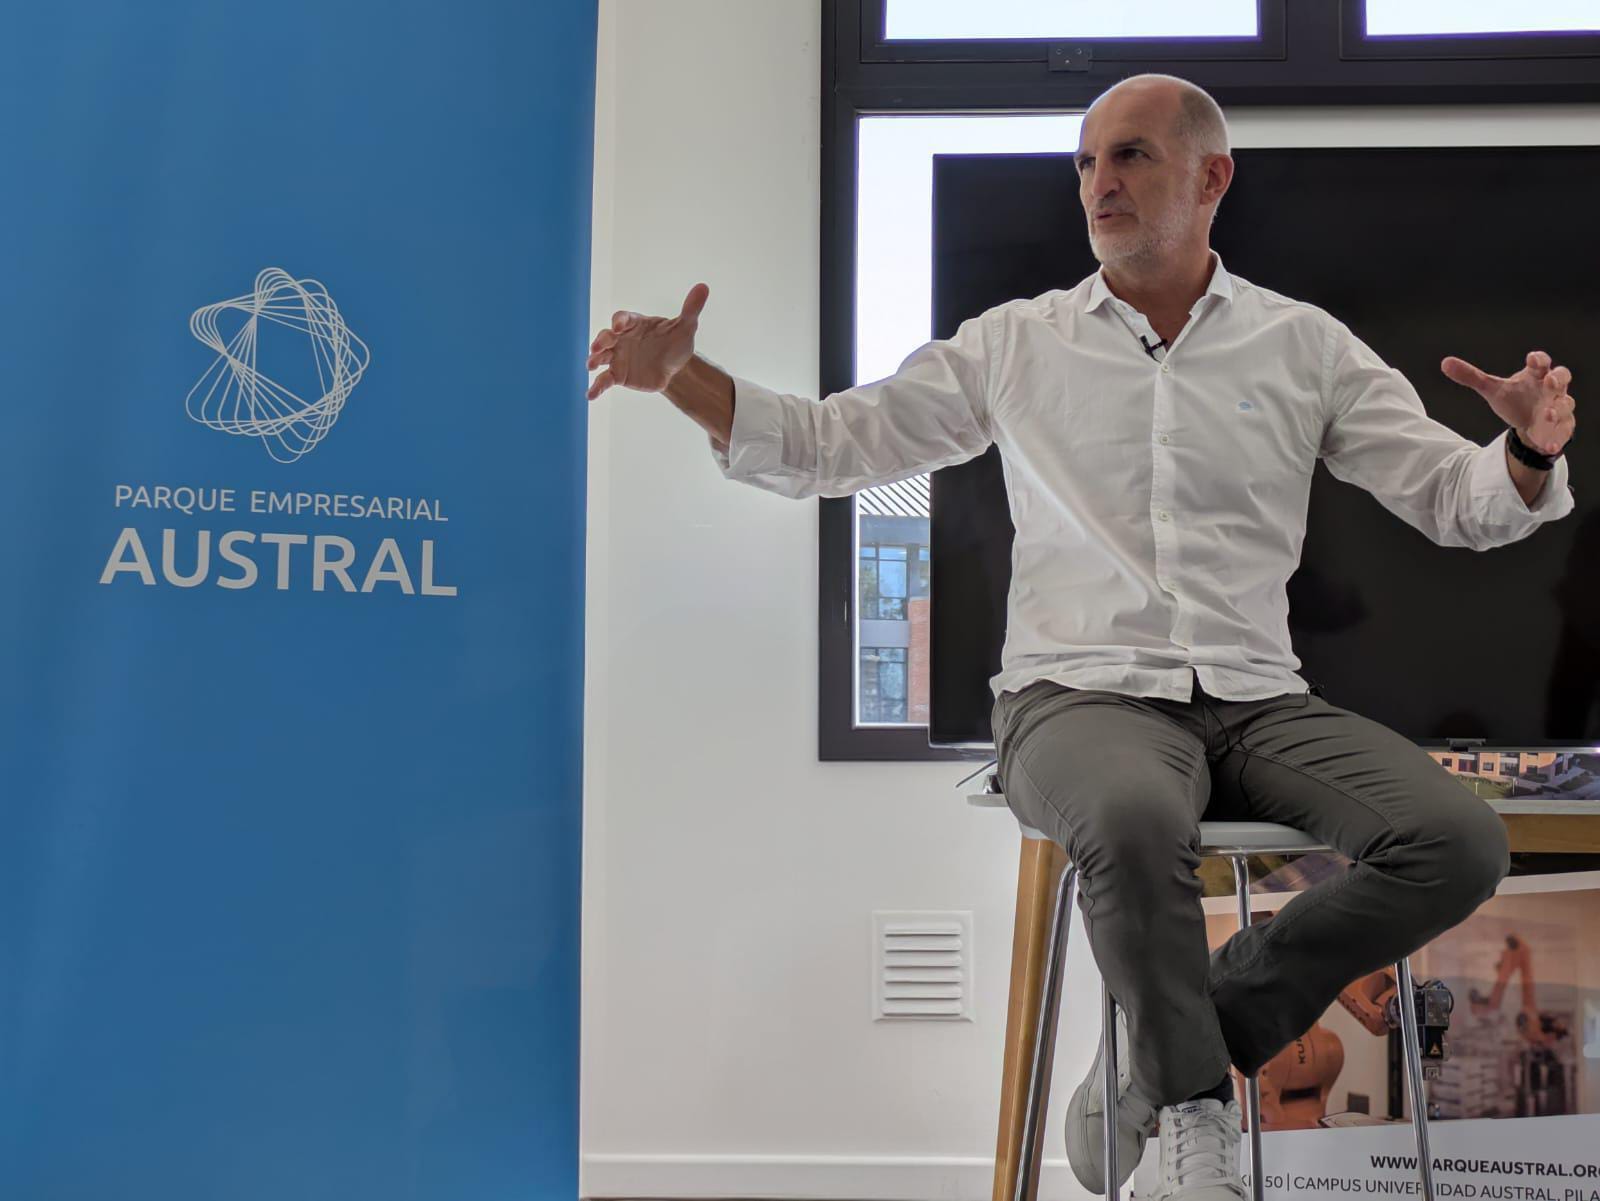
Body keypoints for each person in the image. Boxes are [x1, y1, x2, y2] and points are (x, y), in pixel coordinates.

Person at [585, 73, 1578, 1200]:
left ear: (1212, 177)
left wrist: (1525, 454)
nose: (1099, 182)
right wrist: (684, 379)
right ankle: (1195, 1118)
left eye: (1132, 156)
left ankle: (1166, 1047)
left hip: (1256, 698)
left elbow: (1452, 498)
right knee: (1130, 815)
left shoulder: (1302, 345)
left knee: (1459, 839)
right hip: (1076, 696)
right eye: (1087, 162)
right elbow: (828, 444)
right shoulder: (1017, 343)